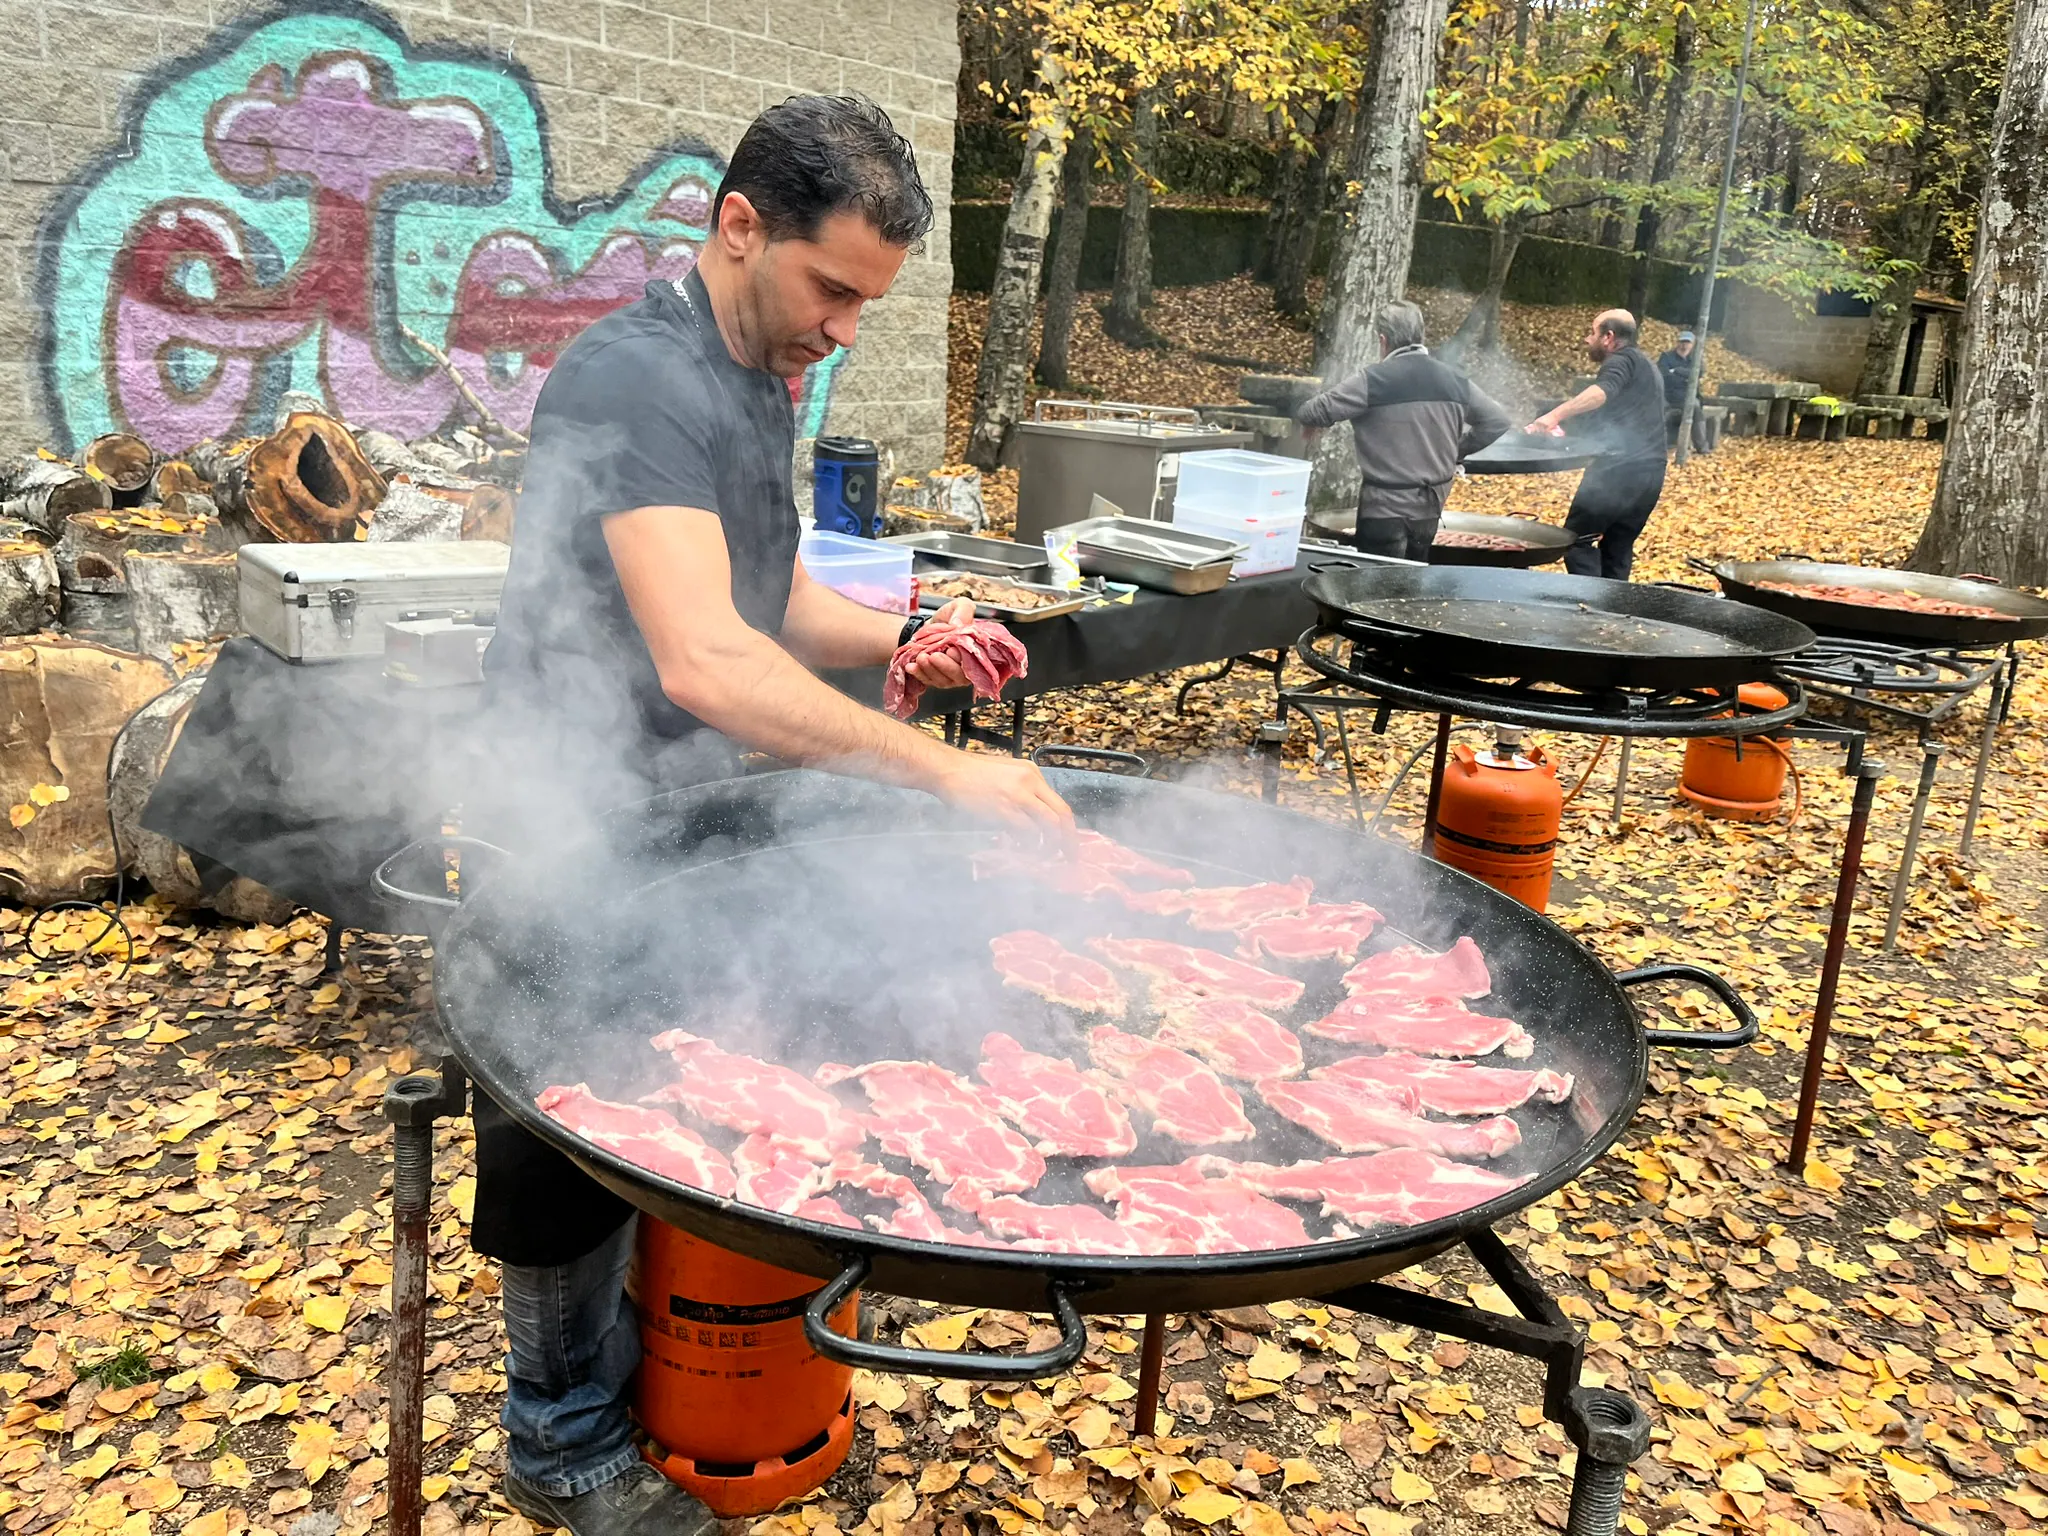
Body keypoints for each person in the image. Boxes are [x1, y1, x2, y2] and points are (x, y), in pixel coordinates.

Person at [475, 95, 1073, 1536]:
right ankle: (558, 1441)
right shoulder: (632, 380)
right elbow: (704, 656)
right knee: (568, 1123)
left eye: (871, 301)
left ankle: (701, 1366)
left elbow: (766, 599)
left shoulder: (759, 380)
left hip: (688, 798)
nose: (846, 331)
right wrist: (945, 768)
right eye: (834, 291)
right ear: (739, 227)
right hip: (561, 799)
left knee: (684, 1074)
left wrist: (901, 641)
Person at [1292, 301, 1511, 561]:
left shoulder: (1374, 380)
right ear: (1421, 335)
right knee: (1410, 587)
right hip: (1429, 510)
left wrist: (1304, 415)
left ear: (1383, 340)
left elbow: (1313, 411)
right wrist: (1455, 451)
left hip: (1384, 511)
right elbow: (1498, 421)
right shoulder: (1454, 380)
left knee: (1374, 589)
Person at [1524, 309, 1669, 580]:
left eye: (1592, 332)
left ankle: (1591, 606)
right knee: (1618, 546)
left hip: (1617, 472)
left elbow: (1601, 392)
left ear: (1609, 337)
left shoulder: (1619, 361)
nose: (1586, 339)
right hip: (1651, 472)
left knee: (1576, 541)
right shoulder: (1646, 366)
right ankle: (1613, 613)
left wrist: (1554, 415)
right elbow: (1618, 419)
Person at [1658, 330, 1707, 452]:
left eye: (1687, 342)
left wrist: (1677, 370)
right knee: (1694, 408)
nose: (1684, 345)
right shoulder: (1666, 357)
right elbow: (1664, 375)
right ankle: (1700, 446)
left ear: (1692, 344)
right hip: (1670, 395)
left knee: (1696, 408)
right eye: (1682, 342)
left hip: (1690, 395)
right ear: (1677, 343)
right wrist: (1687, 378)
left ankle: (1701, 447)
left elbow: (1698, 374)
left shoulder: (1695, 359)